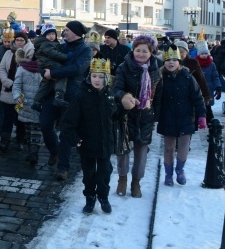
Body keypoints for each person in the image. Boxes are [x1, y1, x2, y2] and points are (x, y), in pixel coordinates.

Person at [61, 58, 116, 214]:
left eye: (100, 77)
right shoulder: (81, 96)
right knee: (89, 175)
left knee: (104, 174)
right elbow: (68, 122)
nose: (97, 80)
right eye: (94, 76)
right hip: (87, 143)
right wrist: (75, 140)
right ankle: (90, 198)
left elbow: (115, 115)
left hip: (105, 143)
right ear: (89, 77)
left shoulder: (110, 95)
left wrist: (125, 108)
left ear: (107, 78)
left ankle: (103, 197)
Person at [41, 20, 93, 180]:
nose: (64, 32)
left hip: (72, 95)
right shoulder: (60, 46)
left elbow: (77, 69)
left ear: (76, 32)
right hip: (52, 92)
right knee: (44, 124)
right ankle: (54, 151)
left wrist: (54, 72)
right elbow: (43, 60)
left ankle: (63, 167)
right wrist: (44, 71)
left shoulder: (86, 50)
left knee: (65, 131)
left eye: (67, 30)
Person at [113, 35, 162, 198]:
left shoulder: (156, 69)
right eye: (138, 50)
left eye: (145, 51)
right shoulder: (123, 67)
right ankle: (122, 179)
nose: (141, 54)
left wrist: (155, 111)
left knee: (142, 151)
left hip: (145, 114)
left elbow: (159, 93)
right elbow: (116, 89)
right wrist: (124, 97)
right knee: (123, 148)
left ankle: (136, 182)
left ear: (151, 52)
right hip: (126, 113)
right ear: (133, 50)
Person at [158, 44, 206, 186]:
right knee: (169, 147)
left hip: (185, 117)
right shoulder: (160, 78)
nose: (171, 63)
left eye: (174, 60)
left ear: (179, 62)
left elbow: (197, 97)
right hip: (167, 117)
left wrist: (202, 115)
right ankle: (168, 174)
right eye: (168, 60)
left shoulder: (187, 77)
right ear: (164, 62)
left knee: (184, 145)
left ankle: (180, 170)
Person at [0, 32, 32, 152]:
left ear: (26, 42)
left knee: (21, 118)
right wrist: (7, 82)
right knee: (8, 118)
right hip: (8, 90)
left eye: (22, 40)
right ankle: (4, 142)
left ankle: (20, 140)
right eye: (17, 40)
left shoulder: (30, 53)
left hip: (23, 91)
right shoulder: (8, 53)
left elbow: (32, 70)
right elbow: (1, 68)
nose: (19, 42)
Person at [11, 44, 42, 166]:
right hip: (25, 104)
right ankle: (31, 151)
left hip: (38, 105)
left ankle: (34, 153)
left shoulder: (44, 68)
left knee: (36, 130)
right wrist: (17, 96)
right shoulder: (22, 69)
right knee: (29, 130)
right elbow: (17, 85)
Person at [32, 21, 68, 111]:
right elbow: (54, 54)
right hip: (51, 64)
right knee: (63, 76)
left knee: (45, 84)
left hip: (46, 65)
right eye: (48, 34)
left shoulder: (45, 43)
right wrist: (66, 57)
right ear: (44, 36)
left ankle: (37, 101)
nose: (51, 36)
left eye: (53, 33)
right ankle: (59, 95)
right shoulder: (46, 44)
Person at [194, 40, 221, 124]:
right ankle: (196, 121)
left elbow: (215, 77)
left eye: (206, 53)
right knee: (197, 105)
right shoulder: (195, 63)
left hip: (208, 89)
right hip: (197, 88)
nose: (204, 55)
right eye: (202, 54)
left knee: (207, 106)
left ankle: (210, 123)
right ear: (199, 54)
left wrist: (218, 87)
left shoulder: (212, 64)